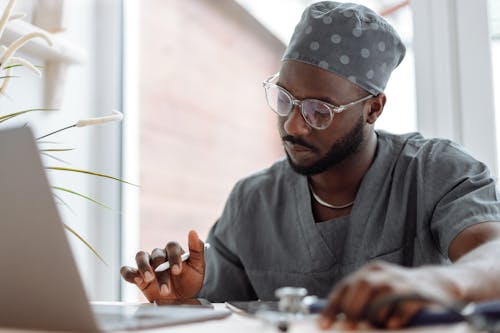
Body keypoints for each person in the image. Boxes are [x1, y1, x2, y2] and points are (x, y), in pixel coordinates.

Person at [121, 1, 500, 329]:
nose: (293, 125)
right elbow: (224, 312)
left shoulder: (436, 172)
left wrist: (444, 284)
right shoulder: (253, 202)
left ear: (373, 108)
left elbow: (493, 252)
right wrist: (185, 300)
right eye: (285, 99)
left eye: (320, 111)